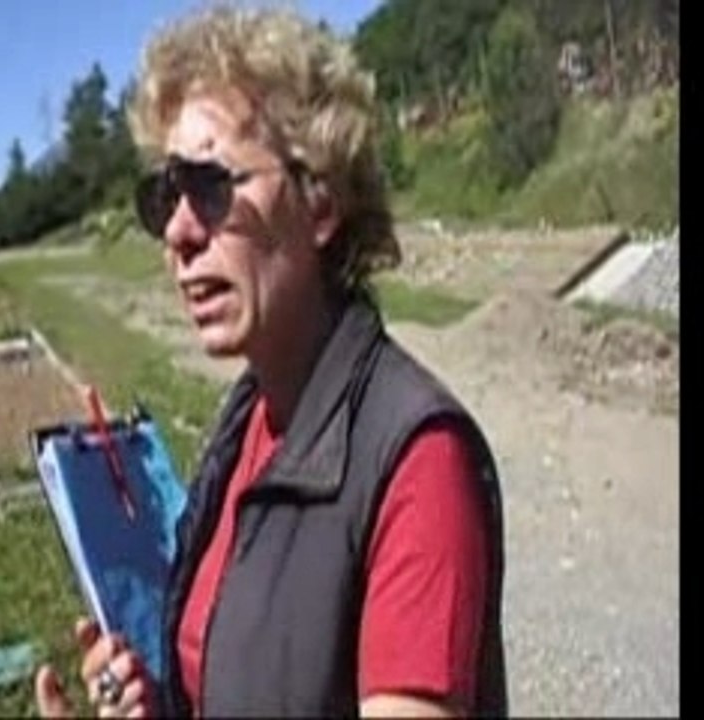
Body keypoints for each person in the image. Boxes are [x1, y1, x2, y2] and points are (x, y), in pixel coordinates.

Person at [35, 5, 506, 717]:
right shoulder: (249, 421)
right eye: (164, 196)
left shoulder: (418, 462)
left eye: (210, 187)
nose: (177, 231)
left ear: (319, 205)